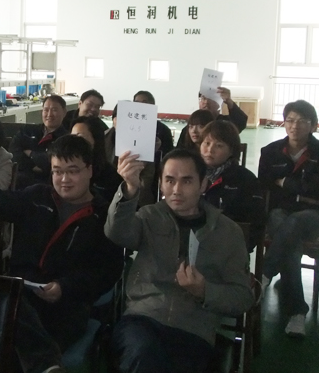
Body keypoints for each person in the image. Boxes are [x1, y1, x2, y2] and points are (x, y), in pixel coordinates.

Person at [0, 135, 123, 373]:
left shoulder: (103, 216)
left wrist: (65, 287)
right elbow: (4, 202)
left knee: (5, 336)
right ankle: (47, 366)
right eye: (57, 171)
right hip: (22, 292)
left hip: (66, 305)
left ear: (89, 170)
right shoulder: (38, 197)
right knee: (1, 312)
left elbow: (108, 271)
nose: (64, 179)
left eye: (72, 171)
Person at [105, 149, 253, 373]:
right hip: (143, 318)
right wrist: (129, 189)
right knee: (144, 354)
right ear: (161, 184)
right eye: (169, 180)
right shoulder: (149, 217)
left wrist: (204, 291)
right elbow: (116, 232)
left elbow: (242, 297)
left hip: (194, 327)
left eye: (187, 181)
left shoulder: (227, 232)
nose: (176, 190)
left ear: (203, 185)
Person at [258, 100, 319, 337]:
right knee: (289, 240)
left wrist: (286, 184)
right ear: (284, 123)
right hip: (280, 212)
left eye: (302, 121)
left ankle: (265, 272)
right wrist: (304, 192)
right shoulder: (270, 152)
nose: (295, 126)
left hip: (315, 215)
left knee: (292, 223)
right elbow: (264, 187)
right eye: (290, 120)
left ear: (313, 125)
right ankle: (297, 313)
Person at [199, 120, 265, 251]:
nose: (210, 150)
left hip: (229, 247)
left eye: (219, 145)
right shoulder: (192, 173)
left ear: (231, 151)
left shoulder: (245, 180)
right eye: (206, 143)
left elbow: (255, 224)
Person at [9, 95, 68, 189]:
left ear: (64, 112)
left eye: (54, 110)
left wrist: (30, 153)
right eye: (46, 110)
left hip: (44, 186)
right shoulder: (27, 130)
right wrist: (32, 166)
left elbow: (49, 163)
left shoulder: (66, 139)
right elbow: (13, 152)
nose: (49, 114)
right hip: (16, 182)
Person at [71, 115, 121, 203]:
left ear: (96, 139)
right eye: (72, 137)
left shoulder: (110, 175)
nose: (75, 142)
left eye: (80, 137)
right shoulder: (65, 169)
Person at [176, 87, 249, 147]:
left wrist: (229, 101)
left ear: (220, 103)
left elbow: (241, 122)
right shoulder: (190, 128)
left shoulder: (224, 124)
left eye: (211, 99)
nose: (206, 102)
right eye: (203, 98)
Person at [133, 90, 174, 156]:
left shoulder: (163, 130)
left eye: (144, 102)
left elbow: (169, 154)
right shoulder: (127, 127)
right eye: (137, 103)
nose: (140, 106)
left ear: (152, 105)